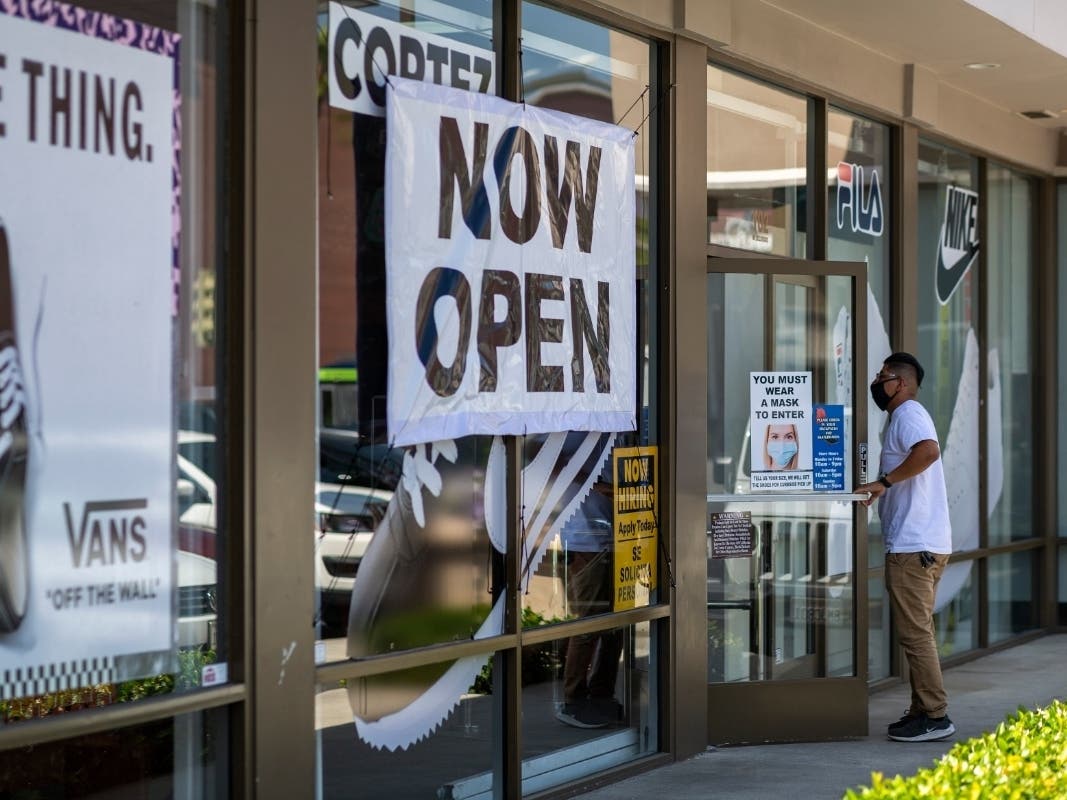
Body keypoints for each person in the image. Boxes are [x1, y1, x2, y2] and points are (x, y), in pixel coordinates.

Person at [855, 352, 955, 743]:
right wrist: (887, 484)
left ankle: (936, 715)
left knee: (916, 635)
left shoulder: (909, 413)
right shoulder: (905, 417)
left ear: (904, 383)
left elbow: (929, 451)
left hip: (915, 545)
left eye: (884, 375)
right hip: (924, 542)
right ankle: (921, 710)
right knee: (918, 631)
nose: (878, 381)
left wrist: (886, 482)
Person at [555, 476, 624, 729]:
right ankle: (573, 701)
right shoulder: (573, 437)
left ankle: (601, 695)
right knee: (589, 624)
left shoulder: (618, 436)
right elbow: (552, 463)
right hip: (585, 540)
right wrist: (598, 483)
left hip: (618, 537)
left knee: (617, 626)